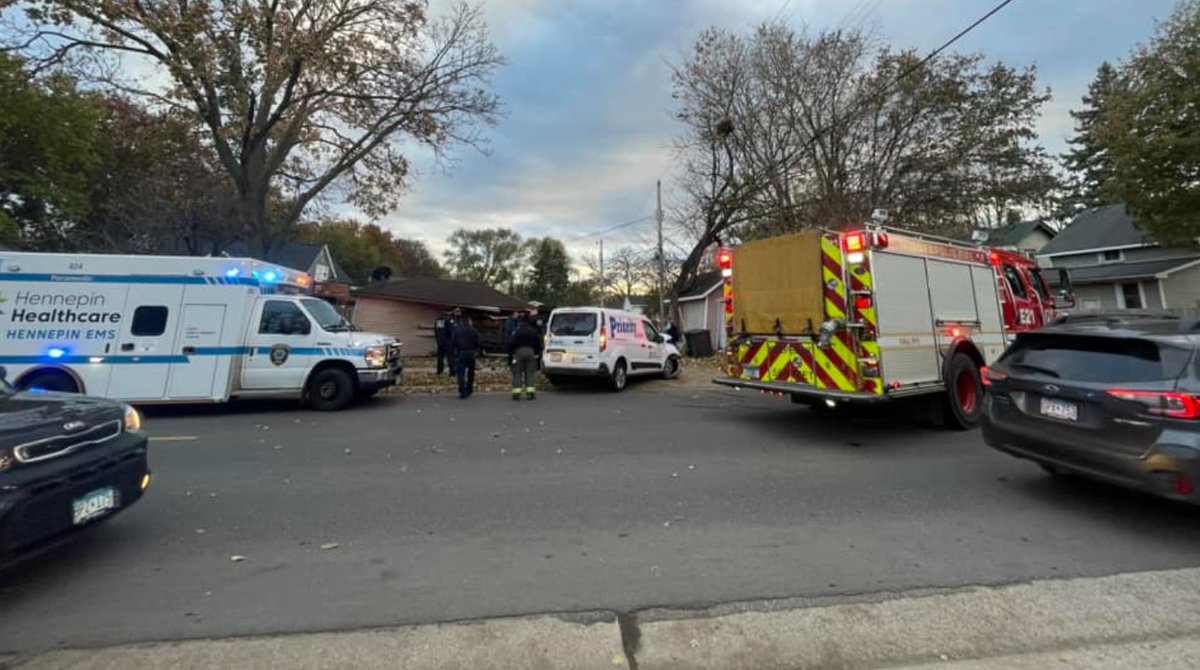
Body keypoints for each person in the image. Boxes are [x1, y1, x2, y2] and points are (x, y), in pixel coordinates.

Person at [507, 315, 543, 400]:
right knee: (530, 373)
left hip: (518, 352)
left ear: (520, 322)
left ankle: (517, 393)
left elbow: (510, 344)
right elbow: (538, 343)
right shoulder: (533, 331)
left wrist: (510, 358)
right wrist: (538, 355)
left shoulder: (516, 331)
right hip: (531, 352)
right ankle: (530, 393)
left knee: (517, 373)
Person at [450, 315, 481, 399]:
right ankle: (469, 389)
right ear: (469, 322)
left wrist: (455, 353)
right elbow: (478, 341)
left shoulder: (457, 331)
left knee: (461, 373)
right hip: (471, 352)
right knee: (471, 372)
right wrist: (477, 351)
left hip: (461, 352)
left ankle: (462, 390)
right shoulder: (473, 330)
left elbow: (453, 342)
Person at [434, 311, 454, 376]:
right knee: (450, 357)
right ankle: (452, 371)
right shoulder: (449, 319)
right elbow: (451, 331)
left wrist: (438, 340)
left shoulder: (438, 320)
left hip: (440, 342)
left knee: (440, 357)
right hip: (448, 342)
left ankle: (439, 371)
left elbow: (436, 331)